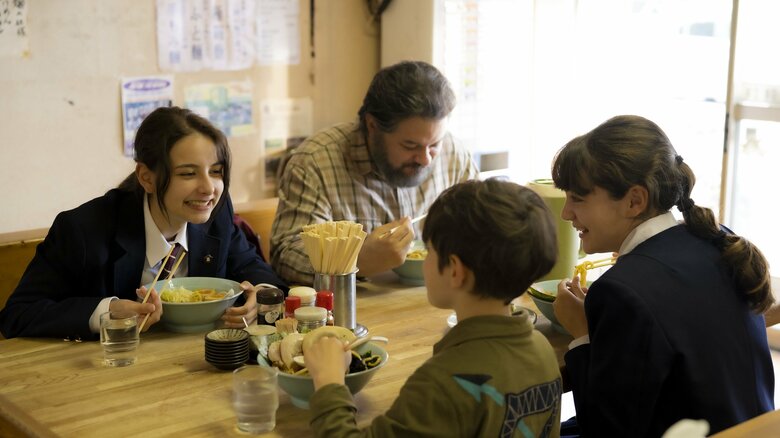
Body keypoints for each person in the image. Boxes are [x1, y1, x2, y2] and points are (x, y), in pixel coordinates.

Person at [551, 115, 774, 437]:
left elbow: (606, 429)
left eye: (578, 199)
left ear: (634, 201)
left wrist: (582, 334)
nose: (566, 213)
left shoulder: (621, 290)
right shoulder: (718, 240)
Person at [304, 178, 562, 437]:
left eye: (429, 251)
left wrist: (329, 381)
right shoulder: (543, 352)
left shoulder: (444, 383)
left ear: (455, 270)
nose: (425, 260)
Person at [0, 107, 287, 339]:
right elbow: (18, 314)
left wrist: (258, 298)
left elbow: (255, 269)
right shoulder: (84, 230)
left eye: (216, 172)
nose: (208, 188)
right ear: (147, 177)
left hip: (193, 366)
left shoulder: (216, 215)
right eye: (188, 174)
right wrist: (107, 312)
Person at [271, 60, 479, 285]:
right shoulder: (315, 162)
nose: (425, 159)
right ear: (372, 126)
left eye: (434, 144)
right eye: (410, 146)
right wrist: (355, 260)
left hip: (438, 302)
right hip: (353, 312)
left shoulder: (454, 154)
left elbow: (482, 226)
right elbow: (285, 256)